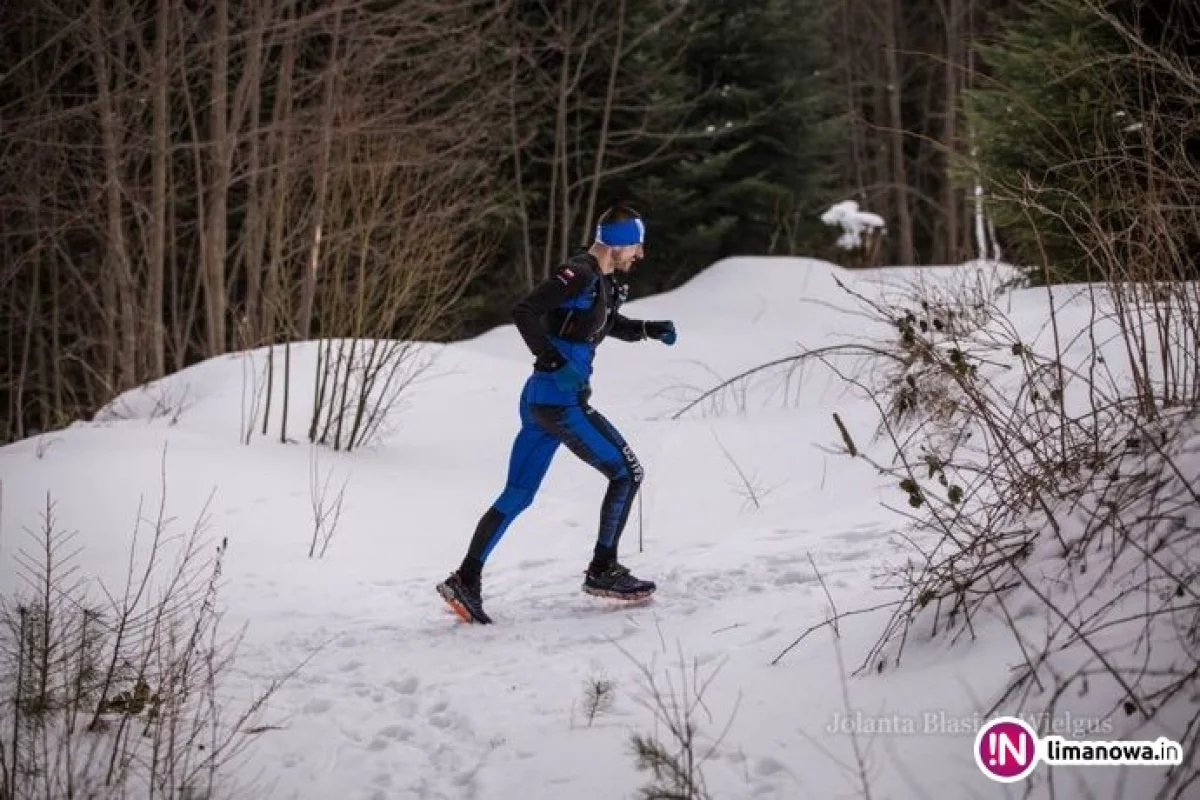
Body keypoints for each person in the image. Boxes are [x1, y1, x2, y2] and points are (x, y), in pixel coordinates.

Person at [436, 205, 677, 624]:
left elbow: (598, 324)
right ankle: (604, 570)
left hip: (539, 403)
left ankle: (465, 580)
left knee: (518, 495)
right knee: (627, 473)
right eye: (636, 247)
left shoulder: (600, 281)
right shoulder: (580, 272)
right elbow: (525, 310)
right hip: (560, 403)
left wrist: (645, 330)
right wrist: (550, 360)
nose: (640, 255)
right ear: (619, 244)